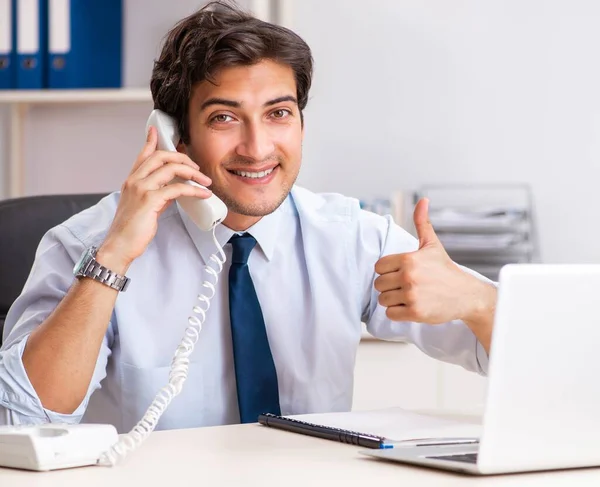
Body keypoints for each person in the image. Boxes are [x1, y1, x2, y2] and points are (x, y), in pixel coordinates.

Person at [0, 2, 496, 432]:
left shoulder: (350, 237)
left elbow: (537, 366)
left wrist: (477, 302)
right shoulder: (84, 244)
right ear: (178, 135)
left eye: (278, 113)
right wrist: (112, 259)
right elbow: (22, 420)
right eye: (224, 117)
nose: (257, 148)